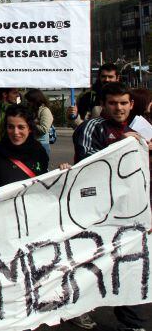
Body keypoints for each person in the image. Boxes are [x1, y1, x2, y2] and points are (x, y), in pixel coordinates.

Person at [66, 82, 148, 330]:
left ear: (131, 105)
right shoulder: (92, 127)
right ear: (104, 105)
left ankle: (131, 321)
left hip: (133, 210)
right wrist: (121, 146)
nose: (119, 108)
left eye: (124, 103)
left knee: (131, 263)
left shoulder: (142, 128)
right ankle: (79, 308)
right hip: (98, 210)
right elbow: (87, 162)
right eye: (113, 103)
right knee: (91, 261)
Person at [0, 105, 49, 192]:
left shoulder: (39, 151)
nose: (15, 132)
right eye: (11, 127)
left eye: (21, 127)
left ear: (29, 128)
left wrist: (63, 172)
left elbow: (46, 182)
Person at [68, 62, 119, 128]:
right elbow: (79, 124)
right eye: (103, 76)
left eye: (110, 77)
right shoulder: (87, 96)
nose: (106, 79)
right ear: (99, 77)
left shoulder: (126, 96)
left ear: (117, 78)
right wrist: (73, 117)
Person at [24, 89, 54, 157]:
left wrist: (29, 123)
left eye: (29, 100)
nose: (27, 103)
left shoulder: (45, 111)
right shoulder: (32, 110)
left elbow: (44, 129)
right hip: (30, 143)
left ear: (35, 100)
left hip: (42, 144)